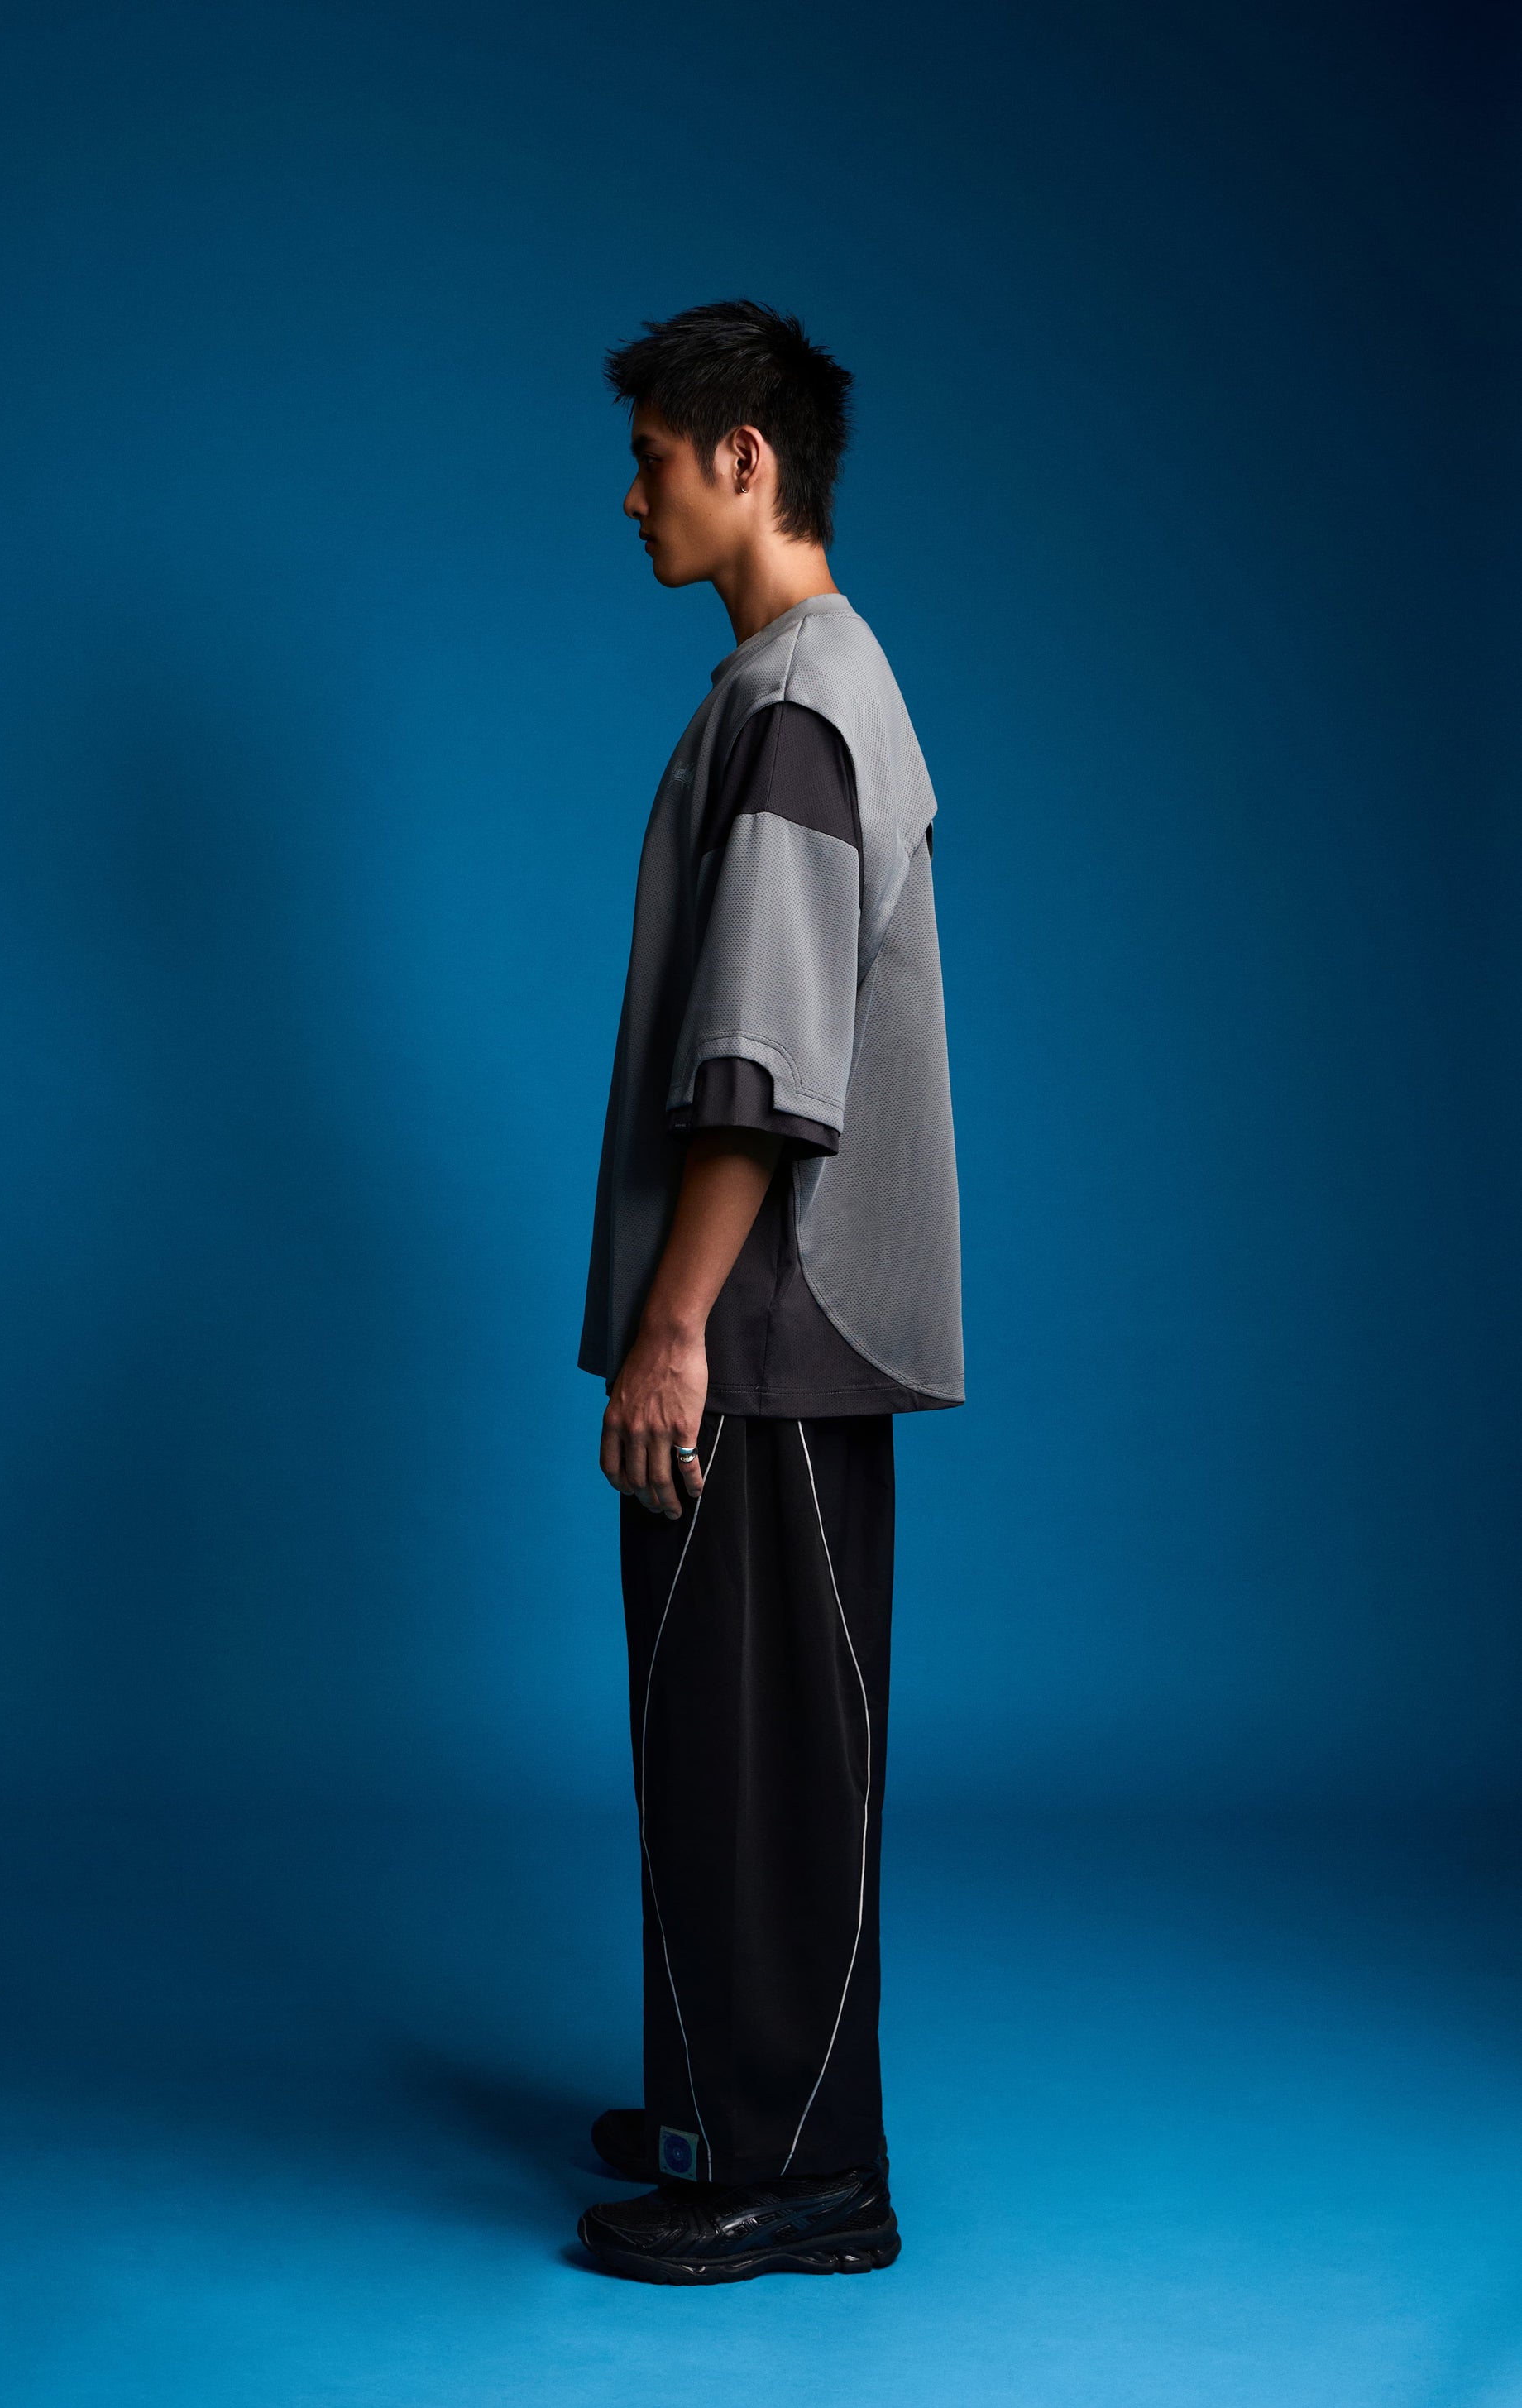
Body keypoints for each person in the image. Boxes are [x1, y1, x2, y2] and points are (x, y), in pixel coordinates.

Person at [574, 300, 964, 2285]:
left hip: (769, 1334)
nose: (628, 490)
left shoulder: (803, 698)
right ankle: (721, 2103)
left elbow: (763, 1065)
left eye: (652, 454)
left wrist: (674, 1330)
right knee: (710, 1725)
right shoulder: (792, 683)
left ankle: (802, 2172)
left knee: (764, 1748)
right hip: (762, 1327)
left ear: (745, 458)